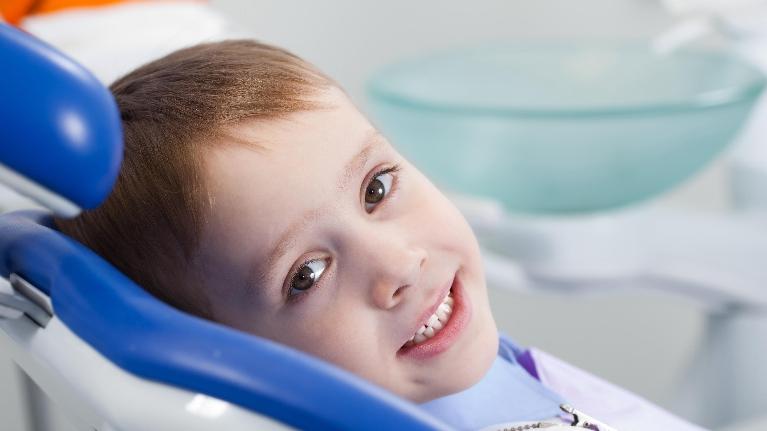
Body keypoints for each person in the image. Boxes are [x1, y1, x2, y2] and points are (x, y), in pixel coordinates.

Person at [55, 40, 702, 430]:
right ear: (236, 361)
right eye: (304, 275)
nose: (397, 264)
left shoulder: (463, 370)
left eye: (376, 188)